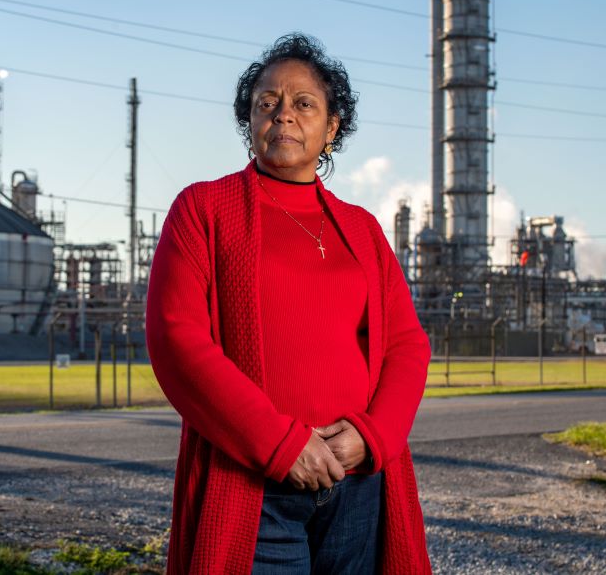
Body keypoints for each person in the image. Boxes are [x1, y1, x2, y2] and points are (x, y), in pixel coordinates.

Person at [146, 33, 431, 574]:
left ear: (332, 128)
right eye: (267, 103)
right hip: (256, 488)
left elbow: (406, 344)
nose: (283, 115)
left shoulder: (363, 230)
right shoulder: (204, 210)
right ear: (249, 122)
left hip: (359, 482)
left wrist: (372, 439)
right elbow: (176, 339)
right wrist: (281, 446)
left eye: (304, 103)